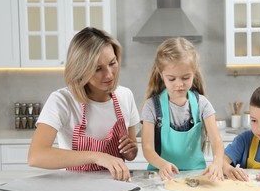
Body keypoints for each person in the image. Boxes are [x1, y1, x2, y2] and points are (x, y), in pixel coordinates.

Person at [28, 27, 140, 181]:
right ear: (81, 69)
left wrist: (131, 151)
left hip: (117, 188)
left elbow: (131, 151)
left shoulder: (125, 96)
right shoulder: (62, 101)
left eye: (112, 63)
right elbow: (36, 156)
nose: (109, 74)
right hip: (75, 189)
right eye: (97, 69)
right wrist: (97, 157)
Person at [141, 37, 224, 181]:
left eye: (185, 77)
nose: (179, 84)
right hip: (161, 177)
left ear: (194, 74)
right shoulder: (151, 107)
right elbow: (147, 149)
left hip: (196, 175)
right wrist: (162, 164)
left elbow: (217, 140)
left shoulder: (202, 104)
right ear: (161, 75)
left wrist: (217, 162)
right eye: (172, 79)